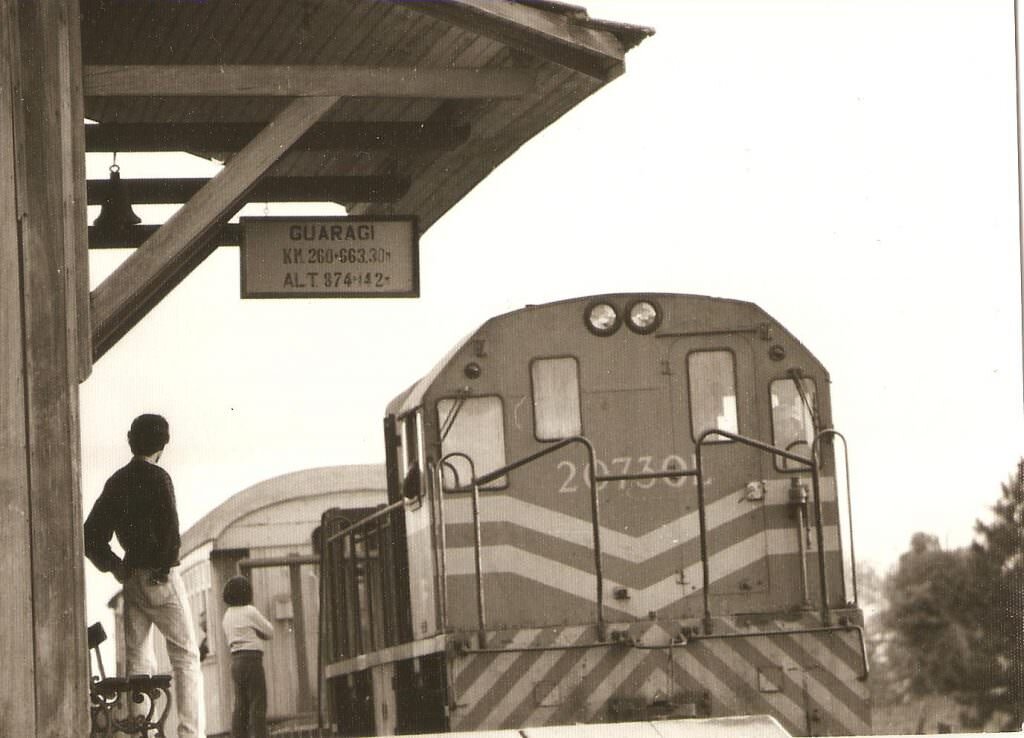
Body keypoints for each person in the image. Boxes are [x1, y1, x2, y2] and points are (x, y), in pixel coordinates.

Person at [84, 413, 204, 738]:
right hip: (160, 576)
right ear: (162, 446)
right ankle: (190, 733)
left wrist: (114, 565)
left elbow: (90, 534)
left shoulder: (116, 481)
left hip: (131, 577)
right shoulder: (159, 478)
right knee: (186, 656)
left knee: (138, 657)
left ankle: (140, 732)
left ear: (129, 439)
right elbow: (170, 530)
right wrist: (164, 567)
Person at [221, 575, 274, 738]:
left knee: (240, 704)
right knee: (257, 702)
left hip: (235, 660)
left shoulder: (227, 615)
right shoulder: (250, 611)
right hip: (252, 659)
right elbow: (269, 631)